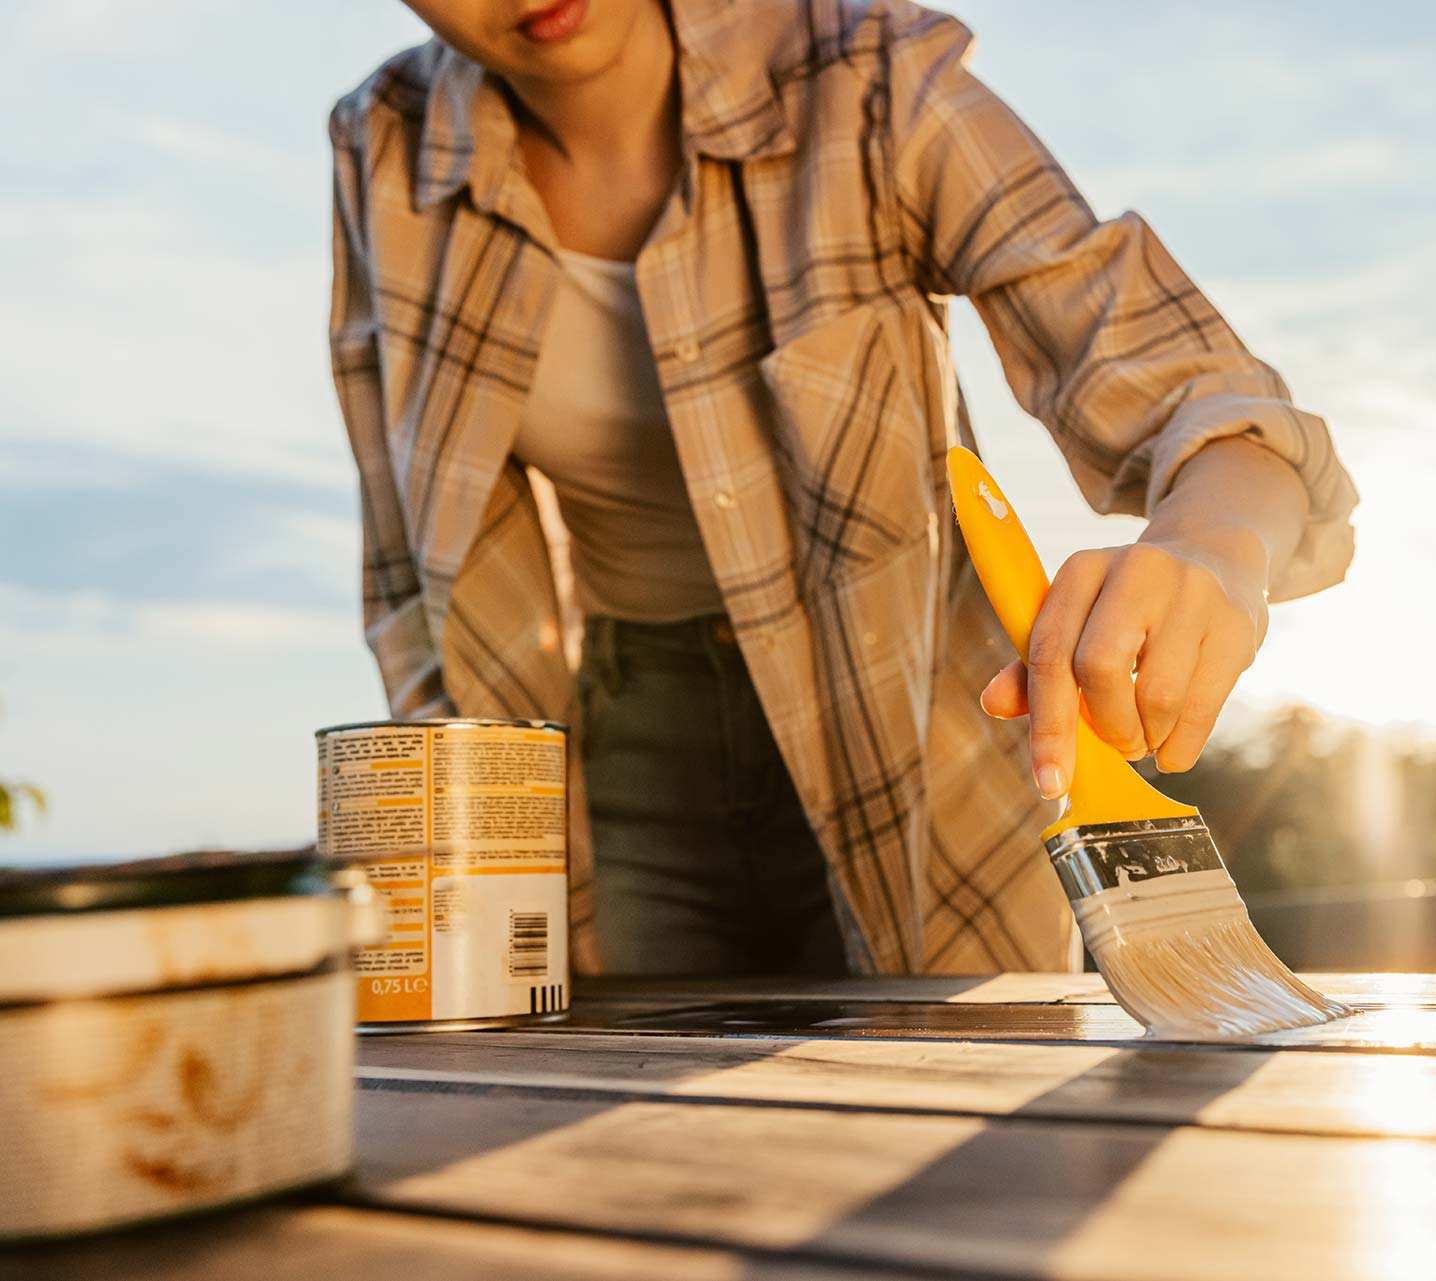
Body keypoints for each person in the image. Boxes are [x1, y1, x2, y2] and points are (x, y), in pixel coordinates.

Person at [328, 0, 1358, 979]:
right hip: (622, 758)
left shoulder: (866, 75)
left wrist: (1216, 547)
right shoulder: (383, 150)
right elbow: (409, 574)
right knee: (620, 1139)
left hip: (926, 737)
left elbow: (1187, 380)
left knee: (962, 1131)